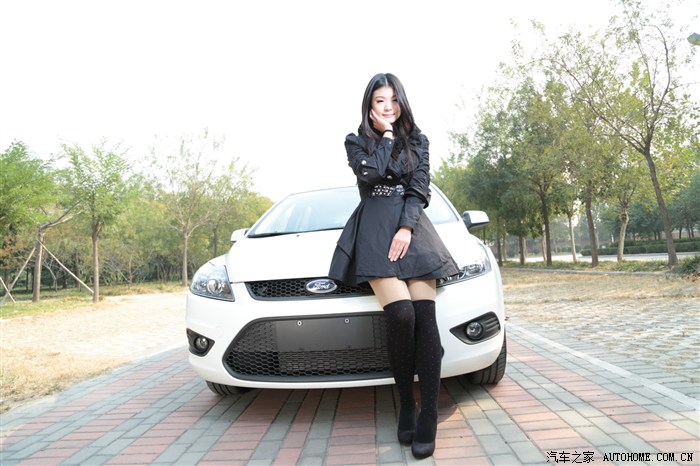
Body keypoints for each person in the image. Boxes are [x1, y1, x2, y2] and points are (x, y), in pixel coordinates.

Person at [328, 73, 459, 459]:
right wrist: (385, 137)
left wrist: (406, 227)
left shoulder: (418, 140)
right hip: (374, 229)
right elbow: (369, 174)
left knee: (424, 317)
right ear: (369, 106)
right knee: (402, 315)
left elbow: (420, 187)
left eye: (393, 100)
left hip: (411, 227)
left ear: (402, 102)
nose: (388, 107)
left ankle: (429, 415)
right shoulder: (356, 141)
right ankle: (406, 404)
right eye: (380, 101)